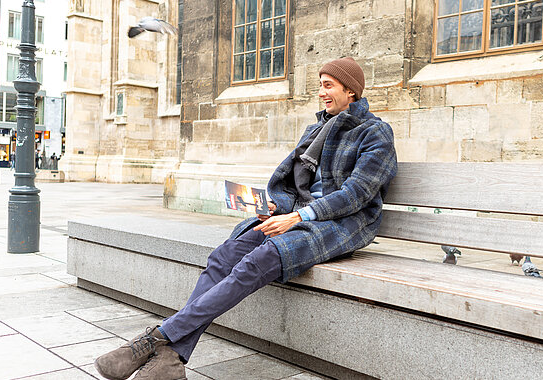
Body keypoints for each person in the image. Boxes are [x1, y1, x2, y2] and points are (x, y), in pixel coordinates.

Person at [94, 57, 398, 380]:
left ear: (350, 91)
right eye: (319, 84)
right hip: (296, 218)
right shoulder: (316, 130)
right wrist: (276, 208)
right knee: (223, 257)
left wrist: (298, 217)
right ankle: (170, 361)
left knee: (257, 261)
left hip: (338, 225)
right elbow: (292, 184)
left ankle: (155, 339)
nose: (321, 92)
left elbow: (357, 194)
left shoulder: (374, 133)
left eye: (328, 85)